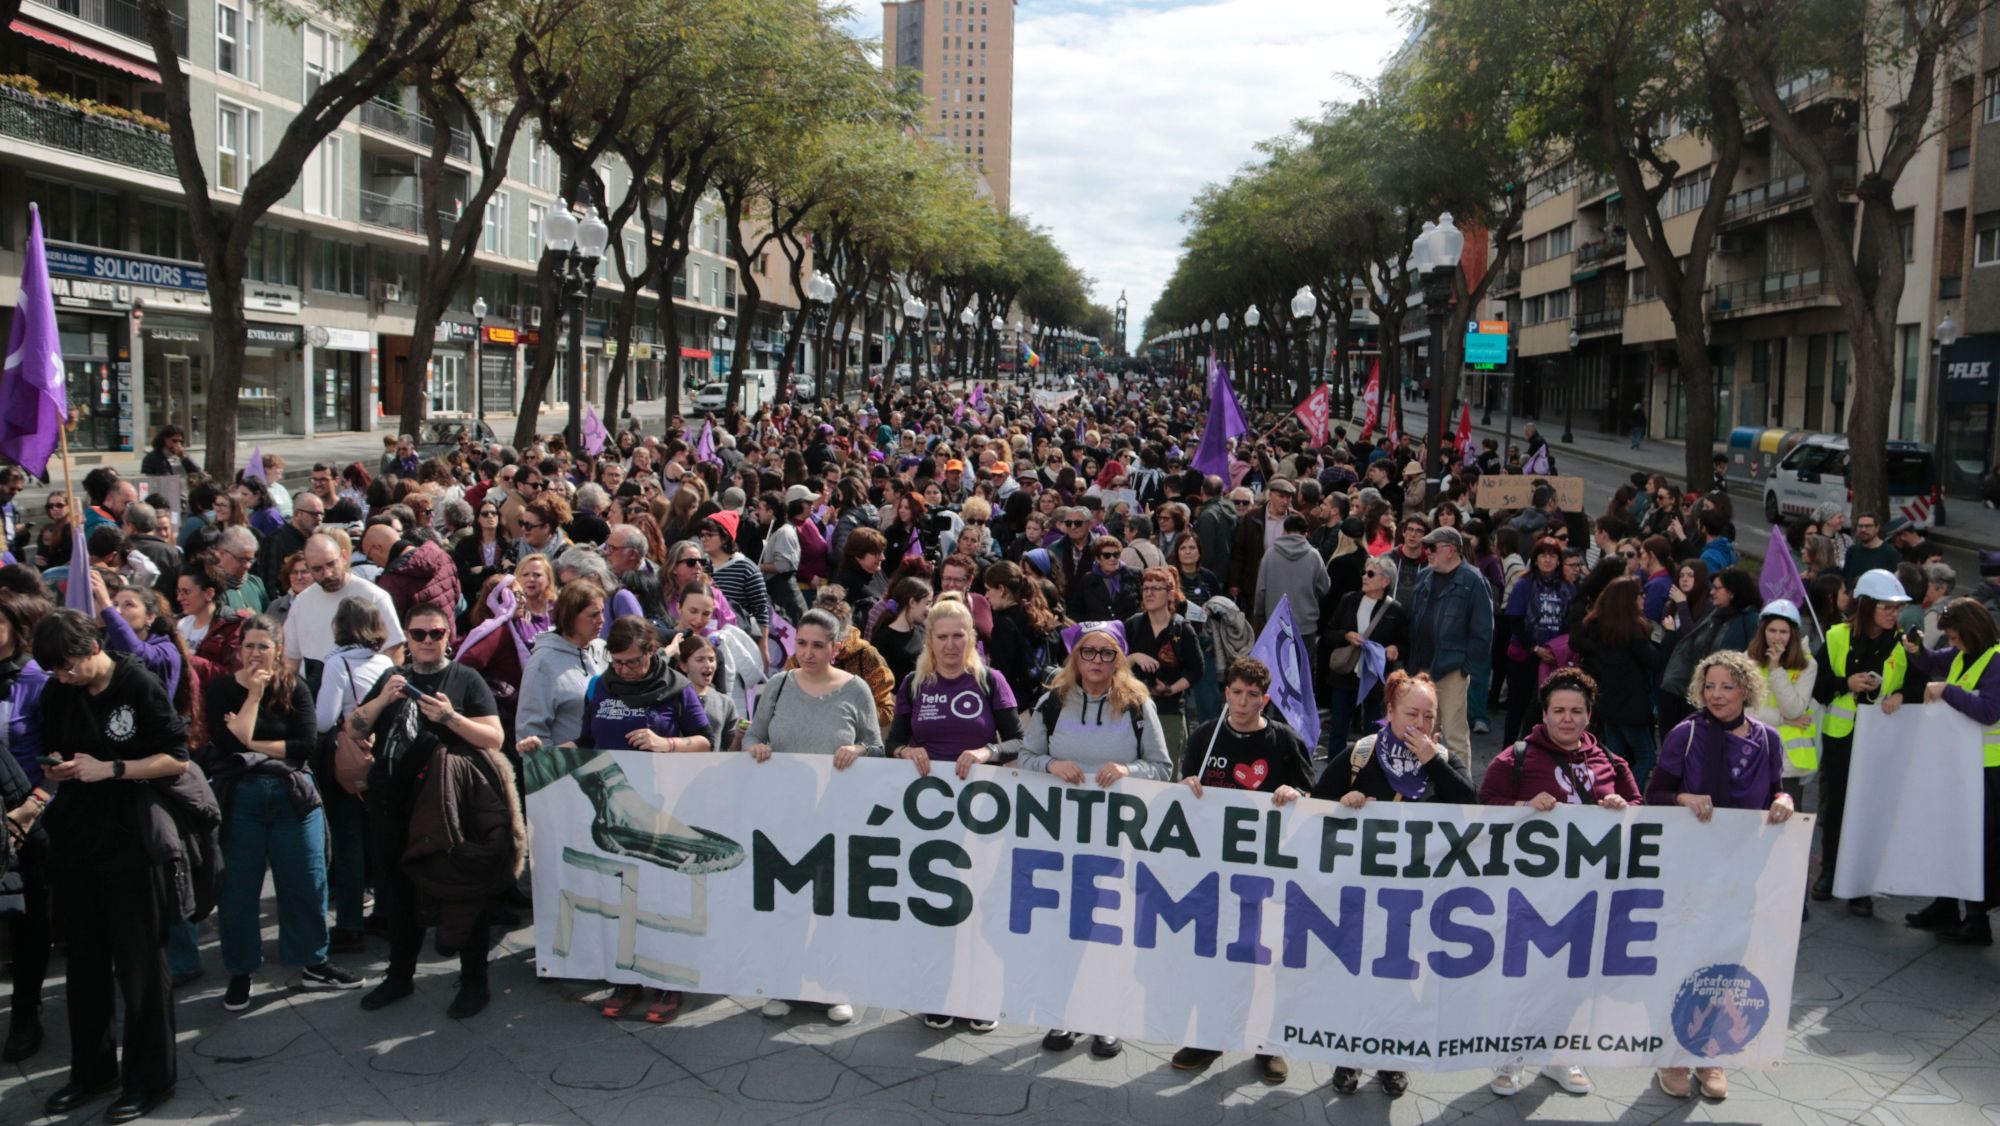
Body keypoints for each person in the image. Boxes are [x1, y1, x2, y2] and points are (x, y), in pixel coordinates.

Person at [34, 609, 193, 1123]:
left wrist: (114, 768)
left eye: (68, 668)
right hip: (77, 839)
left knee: (140, 965)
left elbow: (177, 757)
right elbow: (51, 744)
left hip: (131, 841)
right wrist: (57, 766)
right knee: (83, 966)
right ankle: (92, 1069)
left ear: (91, 648)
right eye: (56, 671)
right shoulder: (59, 691)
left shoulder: (136, 683)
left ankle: (151, 1078)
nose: (63, 678)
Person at [1312, 668, 1475, 1097]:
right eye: (1411, 715)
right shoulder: (1361, 754)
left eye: (1428, 717)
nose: (1420, 726)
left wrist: (1432, 762)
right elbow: (1315, 805)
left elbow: (1469, 805)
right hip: (1361, 895)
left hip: (1419, 899)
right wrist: (1342, 805)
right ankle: (1349, 1057)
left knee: (1404, 984)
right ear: (1390, 712)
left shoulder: (1443, 759)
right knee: (1360, 979)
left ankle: (1393, 1059)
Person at [1479, 668, 1641, 1099]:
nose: (1566, 719)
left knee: (1574, 980)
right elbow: (1482, 809)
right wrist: (1522, 805)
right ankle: (1511, 1057)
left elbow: (1641, 812)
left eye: (1576, 711)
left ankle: (1559, 1054)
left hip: (1589, 895)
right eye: (1558, 711)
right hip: (1528, 896)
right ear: (1544, 713)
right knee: (1524, 977)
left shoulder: (1610, 762)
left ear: (1589, 715)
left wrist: (1621, 806)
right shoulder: (1514, 758)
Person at [347, 603, 509, 1019]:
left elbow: (494, 738)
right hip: (392, 803)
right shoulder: (391, 677)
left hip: (446, 804)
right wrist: (383, 699)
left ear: (448, 634)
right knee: (398, 895)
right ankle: (399, 976)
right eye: (417, 634)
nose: (426, 642)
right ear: (406, 636)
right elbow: (355, 727)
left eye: (434, 633)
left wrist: (451, 717)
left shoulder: (465, 678)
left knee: (459, 889)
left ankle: (474, 981)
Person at [1649, 650, 1795, 1100]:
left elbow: (1776, 790)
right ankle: (1673, 1056)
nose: (1716, 695)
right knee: (1686, 959)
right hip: (1691, 871)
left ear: (1747, 690)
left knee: (1726, 964)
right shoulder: (1685, 734)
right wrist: (1684, 799)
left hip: (1742, 872)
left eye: (1727, 686)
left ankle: (1709, 1054)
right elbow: (1655, 793)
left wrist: (1784, 802)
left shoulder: (1768, 740)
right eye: (1709, 686)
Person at [1025, 620, 1172, 1059]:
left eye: (1107, 653)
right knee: (1064, 930)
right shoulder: (1053, 702)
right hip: (1061, 839)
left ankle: (1106, 1020)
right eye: (1088, 652)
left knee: (1110, 934)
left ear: (1119, 659)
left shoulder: (1137, 705)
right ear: (1075, 656)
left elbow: (1163, 768)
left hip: (1117, 841)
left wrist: (1128, 770)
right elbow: (1027, 755)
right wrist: (1051, 765)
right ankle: (1063, 1015)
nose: (1096, 661)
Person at [206, 614, 361, 1011]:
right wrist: (254, 697)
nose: (255, 654)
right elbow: (226, 744)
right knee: (239, 890)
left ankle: (313, 961)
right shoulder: (222, 689)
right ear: (238, 650)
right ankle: (241, 971)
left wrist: (251, 740)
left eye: (263, 646)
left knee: (307, 882)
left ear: (277, 650)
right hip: (241, 797)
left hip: (293, 796)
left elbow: (304, 744)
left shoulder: (296, 687)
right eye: (248, 646)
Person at [885, 596, 1023, 1033]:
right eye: (941, 636)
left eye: (958, 636)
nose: (949, 645)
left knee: (982, 908)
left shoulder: (990, 680)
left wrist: (988, 750)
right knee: (937, 907)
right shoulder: (913, 683)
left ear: (972, 637)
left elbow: (1019, 742)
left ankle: (981, 997)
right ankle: (938, 993)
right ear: (929, 638)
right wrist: (907, 750)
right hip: (929, 816)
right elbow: (892, 744)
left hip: (982, 815)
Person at [1171, 656, 1311, 1084]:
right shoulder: (1205, 736)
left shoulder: (1284, 741)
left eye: (1253, 695)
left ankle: (1266, 1044)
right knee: (1214, 954)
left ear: (1265, 700)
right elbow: (1183, 790)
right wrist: (1187, 786)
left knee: (1262, 958)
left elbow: (1313, 794)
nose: (1243, 702)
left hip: (1266, 871)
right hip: (1212, 870)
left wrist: (1296, 792)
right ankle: (1210, 1036)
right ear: (1226, 691)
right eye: (1236, 692)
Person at [569, 616, 713, 1022]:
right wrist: (553, 749)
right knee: (621, 894)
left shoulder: (677, 689)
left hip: (663, 807)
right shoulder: (600, 685)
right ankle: (626, 978)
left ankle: (668, 981)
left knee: (662, 896)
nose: (623, 670)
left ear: (652, 652)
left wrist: (666, 744)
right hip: (612, 811)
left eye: (631, 662)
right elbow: (586, 741)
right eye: (616, 662)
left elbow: (706, 742)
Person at [747, 607, 884, 1026]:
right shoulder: (778, 685)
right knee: (787, 903)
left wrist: (857, 751)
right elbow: (753, 733)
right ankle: (783, 983)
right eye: (801, 643)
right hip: (783, 815)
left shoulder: (856, 689)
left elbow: (876, 746)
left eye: (818, 645)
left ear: (836, 648)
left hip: (835, 816)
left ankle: (832, 986)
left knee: (831, 903)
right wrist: (757, 748)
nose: (807, 653)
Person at [1810, 568, 1910, 917]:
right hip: (1842, 737)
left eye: (1897, 608)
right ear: (1866, 606)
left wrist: (1900, 693)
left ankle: (1862, 887)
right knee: (1836, 808)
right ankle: (1830, 874)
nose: (1894, 614)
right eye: (1887, 607)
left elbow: (1920, 680)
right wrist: (1845, 683)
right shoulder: (1837, 637)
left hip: (1881, 741)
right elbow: (1817, 686)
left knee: (1871, 811)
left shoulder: (1903, 642)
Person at [1900, 598, 2000, 946]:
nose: (1952, 645)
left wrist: (1946, 690)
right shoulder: (1964, 655)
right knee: (1951, 836)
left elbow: (1989, 711)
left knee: (1976, 844)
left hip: (1988, 770)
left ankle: (1976, 919)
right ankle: (1946, 906)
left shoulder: (1996, 661)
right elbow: (1931, 661)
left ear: (1973, 631)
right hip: (1964, 764)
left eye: (1955, 638)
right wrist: (1915, 650)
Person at [313, 597, 395, 952]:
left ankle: (348, 925)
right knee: (382, 840)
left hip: (349, 764)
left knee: (349, 842)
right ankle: (387, 914)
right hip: (384, 761)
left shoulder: (336, 664)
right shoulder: (387, 663)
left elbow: (322, 719)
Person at [0, 588, 51, 1063]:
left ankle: (26, 1010)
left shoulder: (36, 682)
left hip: (26, 821)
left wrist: (32, 806)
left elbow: (57, 759)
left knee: (28, 922)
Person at [1405, 526, 1494, 770]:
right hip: (1421, 668)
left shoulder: (1473, 580)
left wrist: (1466, 666)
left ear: (1451, 550)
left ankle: (1461, 787)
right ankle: (1419, 782)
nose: (1427, 552)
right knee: (1421, 731)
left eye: (1432, 547)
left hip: (1451, 669)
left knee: (1454, 735)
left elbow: (1483, 631)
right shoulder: (1425, 576)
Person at [1321, 556, 1407, 758]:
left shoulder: (1395, 610)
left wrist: (1395, 648)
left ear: (1385, 581)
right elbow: (1329, 633)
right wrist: (1346, 635)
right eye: (1364, 572)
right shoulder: (1349, 600)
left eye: (1370, 573)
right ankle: (1334, 771)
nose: (1364, 577)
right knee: (1339, 727)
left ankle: (1369, 768)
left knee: (1372, 728)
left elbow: (1405, 644)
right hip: (1346, 673)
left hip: (1375, 678)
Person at [514, 583, 610, 756]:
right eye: (594, 614)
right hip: (572, 772)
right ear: (571, 617)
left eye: (603, 612)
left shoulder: (604, 649)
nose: (602, 620)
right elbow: (531, 731)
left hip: (616, 765)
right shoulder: (542, 663)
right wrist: (555, 769)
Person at [1747, 599, 1819, 820]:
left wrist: (1775, 668)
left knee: (1785, 823)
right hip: (1753, 751)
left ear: (1793, 634)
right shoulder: (1747, 659)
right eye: (1772, 630)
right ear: (1763, 631)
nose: (1777, 637)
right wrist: (1782, 720)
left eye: (1783, 632)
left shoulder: (1808, 664)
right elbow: (1741, 709)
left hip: (1787, 762)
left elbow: (1794, 710)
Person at [1502, 537, 1576, 746]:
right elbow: (1514, 620)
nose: (1547, 560)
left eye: (1552, 556)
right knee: (1518, 705)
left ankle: (1535, 751)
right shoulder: (1524, 584)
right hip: (1525, 655)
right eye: (1543, 555)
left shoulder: (1568, 588)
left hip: (1554, 657)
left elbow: (1572, 622)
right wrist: (1534, 648)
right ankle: (1507, 751)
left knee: (1545, 707)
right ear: (1535, 559)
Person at [1123, 566, 1202, 761]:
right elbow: (1115, 665)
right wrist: (1134, 657)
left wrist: (1170, 689)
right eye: (1146, 588)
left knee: (1166, 771)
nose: (1149, 593)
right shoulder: (1133, 625)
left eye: (1156, 588)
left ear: (1170, 594)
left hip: (1169, 711)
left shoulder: (1182, 629)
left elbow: (1197, 670)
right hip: (1132, 708)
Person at [870, 575, 933, 689]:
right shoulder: (883, 638)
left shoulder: (920, 630)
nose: (929, 609)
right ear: (912, 602)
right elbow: (874, 680)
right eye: (927, 603)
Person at [1074, 533, 1142, 622]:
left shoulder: (1133, 574)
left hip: (1129, 632)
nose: (1112, 558)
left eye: (1116, 554)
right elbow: (1075, 609)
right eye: (1107, 555)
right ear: (1098, 559)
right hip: (1100, 633)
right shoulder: (1088, 580)